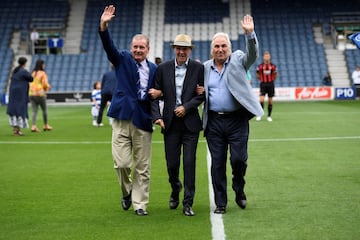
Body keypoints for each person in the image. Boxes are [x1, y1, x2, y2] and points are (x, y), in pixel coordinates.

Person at [200, 15, 264, 214]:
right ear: (212, 49)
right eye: (217, 46)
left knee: (238, 160)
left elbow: (252, 55)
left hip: (237, 120)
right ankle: (221, 202)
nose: (220, 50)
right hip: (214, 122)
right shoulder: (204, 68)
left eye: (223, 46)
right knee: (217, 164)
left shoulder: (237, 59)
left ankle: (239, 188)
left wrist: (249, 33)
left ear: (229, 47)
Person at [99, 5, 157, 216]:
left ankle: (140, 204)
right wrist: (104, 26)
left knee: (143, 167)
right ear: (131, 48)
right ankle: (126, 192)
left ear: (148, 49)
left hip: (143, 120)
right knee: (122, 163)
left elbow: (161, 91)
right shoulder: (122, 59)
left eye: (142, 47)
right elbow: (109, 47)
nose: (138, 50)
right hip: (122, 118)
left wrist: (158, 95)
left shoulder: (156, 70)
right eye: (135, 47)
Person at [150, 34, 204, 216]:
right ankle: (175, 188)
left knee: (189, 163)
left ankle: (188, 203)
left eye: (185, 48)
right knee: (172, 165)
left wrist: (186, 107)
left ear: (190, 50)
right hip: (170, 124)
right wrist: (157, 117)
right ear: (174, 49)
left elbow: (202, 94)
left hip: (190, 124)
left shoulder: (198, 68)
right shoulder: (162, 68)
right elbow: (154, 95)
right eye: (178, 48)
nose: (181, 51)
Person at [6, 57, 33, 136]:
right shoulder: (23, 71)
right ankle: (18, 130)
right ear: (25, 63)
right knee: (20, 111)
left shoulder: (15, 71)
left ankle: (15, 129)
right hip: (20, 93)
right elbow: (31, 78)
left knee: (14, 111)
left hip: (13, 93)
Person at [29, 59, 52, 132]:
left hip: (31, 93)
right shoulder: (42, 73)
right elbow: (44, 84)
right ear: (42, 65)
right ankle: (45, 125)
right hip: (40, 93)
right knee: (44, 110)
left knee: (34, 111)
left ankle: (33, 126)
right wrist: (47, 87)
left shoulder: (33, 73)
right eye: (43, 64)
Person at [255, 51, 277, 122]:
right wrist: (261, 79)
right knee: (261, 100)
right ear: (263, 57)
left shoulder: (273, 66)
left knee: (270, 101)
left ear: (269, 57)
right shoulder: (260, 66)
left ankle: (269, 116)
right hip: (263, 84)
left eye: (268, 56)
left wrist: (272, 80)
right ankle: (260, 115)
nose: (267, 57)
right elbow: (257, 75)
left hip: (271, 84)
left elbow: (275, 74)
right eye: (265, 56)